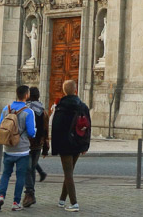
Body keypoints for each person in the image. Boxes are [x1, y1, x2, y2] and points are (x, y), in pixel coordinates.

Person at [50, 79, 90, 212]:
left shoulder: (61, 107)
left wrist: (54, 148)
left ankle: (74, 203)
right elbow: (87, 127)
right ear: (76, 90)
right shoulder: (83, 106)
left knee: (68, 173)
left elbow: (55, 128)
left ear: (64, 91)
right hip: (78, 143)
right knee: (70, 172)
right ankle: (62, 200)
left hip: (65, 144)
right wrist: (85, 145)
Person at [0, 85, 36, 212]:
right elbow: (31, 132)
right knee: (20, 176)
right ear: (26, 95)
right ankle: (16, 202)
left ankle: (1, 196)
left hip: (8, 148)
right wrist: (34, 131)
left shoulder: (5, 109)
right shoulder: (28, 111)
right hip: (22, 149)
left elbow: (1, 126)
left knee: (6, 174)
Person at [22, 86, 50, 208]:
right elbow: (45, 130)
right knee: (31, 169)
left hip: (27, 144)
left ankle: (29, 193)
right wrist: (46, 148)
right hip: (38, 144)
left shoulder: (25, 110)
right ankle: (30, 193)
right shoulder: (43, 111)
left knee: (27, 169)